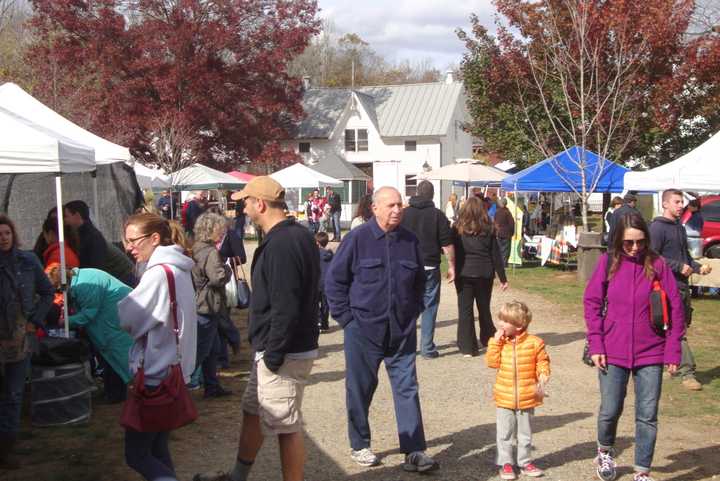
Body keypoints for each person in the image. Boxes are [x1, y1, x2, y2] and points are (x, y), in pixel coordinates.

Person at [196, 176, 319, 481]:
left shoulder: (283, 243)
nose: (244, 210)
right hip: (275, 348)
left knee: (285, 425)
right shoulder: (293, 235)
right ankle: (238, 475)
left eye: (246, 203)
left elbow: (286, 306)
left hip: (284, 351)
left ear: (260, 204)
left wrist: (274, 354)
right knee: (253, 409)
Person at [325, 186, 438, 473]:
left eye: (400, 205)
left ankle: (414, 450)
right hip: (363, 330)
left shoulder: (410, 241)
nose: (397, 210)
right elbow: (334, 282)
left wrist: (412, 313)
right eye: (391, 205)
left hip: (401, 330)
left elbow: (419, 284)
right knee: (360, 389)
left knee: (407, 388)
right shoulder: (356, 240)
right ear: (374, 208)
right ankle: (360, 444)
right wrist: (348, 321)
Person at [584, 212, 685, 481]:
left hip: (652, 351)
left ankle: (642, 471)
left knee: (647, 414)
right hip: (612, 350)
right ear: (618, 240)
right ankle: (605, 451)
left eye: (640, 242)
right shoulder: (608, 263)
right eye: (629, 243)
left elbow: (676, 308)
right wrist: (596, 343)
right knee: (610, 409)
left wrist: (673, 350)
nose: (635, 248)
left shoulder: (658, 264)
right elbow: (592, 303)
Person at [118, 213, 197, 481]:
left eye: (133, 240)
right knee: (157, 449)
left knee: (137, 454)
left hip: (155, 376)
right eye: (125, 241)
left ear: (154, 238)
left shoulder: (158, 274)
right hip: (173, 372)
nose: (128, 247)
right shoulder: (179, 268)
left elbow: (128, 317)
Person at [0, 215, 53, 469]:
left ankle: (7, 448)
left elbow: (47, 292)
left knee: (13, 393)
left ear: (13, 235)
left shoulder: (28, 261)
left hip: (21, 337)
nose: (3, 238)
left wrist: (35, 321)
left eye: (7, 233)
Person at [649, 190, 712, 391]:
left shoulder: (679, 227)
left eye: (681, 202)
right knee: (676, 330)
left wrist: (696, 266)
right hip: (666, 287)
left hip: (682, 288)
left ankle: (666, 364)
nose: (680, 205)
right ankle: (687, 373)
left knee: (677, 328)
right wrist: (677, 266)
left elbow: (684, 257)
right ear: (665, 204)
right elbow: (651, 257)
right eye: (676, 202)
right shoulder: (657, 228)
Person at [47, 266, 134, 403]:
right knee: (109, 355)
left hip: (115, 319)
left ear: (62, 284)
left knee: (114, 353)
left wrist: (64, 322)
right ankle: (114, 390)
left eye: (58, 290)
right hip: (112, 317)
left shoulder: (84, 285)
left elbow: (88, 314)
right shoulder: (80, 279)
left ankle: (117, 393)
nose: (58, 294)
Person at [487, 301, 549, 480]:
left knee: (525, 433)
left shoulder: (535, 343)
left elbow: (543, 362)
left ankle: (525, 462)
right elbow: (492, 363)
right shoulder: (501, 342)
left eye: (505, 321)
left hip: (527, 396)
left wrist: (543, 375)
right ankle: (505, 463)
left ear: (520, 325)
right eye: (501, 319)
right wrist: (495, 343)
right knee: (504, 432)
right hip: (504, 397)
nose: (501, 324)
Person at [400, 180, 455, 359]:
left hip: (407, 265)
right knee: (429, 306)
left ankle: (405, 347)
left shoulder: (403, 214)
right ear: (432, 195)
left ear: (416, 192)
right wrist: (452, 266)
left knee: (406, 306)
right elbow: (447, 245)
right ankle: (427, 347)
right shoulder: (438, 215)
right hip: (430, 265)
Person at [453, 197, 509, 356]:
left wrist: (452, 268)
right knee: (484, 308)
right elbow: (495, 255)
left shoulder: (457, 228)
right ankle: (488, 338)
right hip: (484, 273)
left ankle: (467, 346)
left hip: (464, 272)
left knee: (465, 310)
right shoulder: (488, 228)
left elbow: (454, 252)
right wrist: (502, 277)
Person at [190, 212, 233, 399]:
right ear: (212, 230)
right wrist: (228, 269)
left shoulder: (196, 248)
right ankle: (180, 387)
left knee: (212, 348)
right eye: (220, 230)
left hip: (200, 302)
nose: (222, 233)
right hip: (208, 304)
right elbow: (218, 278)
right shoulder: (211, 252)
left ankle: (212, 386)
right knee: (201, 350)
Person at [64, 200, 109, 269]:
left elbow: (97, 266)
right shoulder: (82, 234)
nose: (64, 220)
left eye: (66, 216)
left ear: (77, 216)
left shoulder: (93, 237)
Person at [316, 231, 333, 332]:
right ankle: (325, 324)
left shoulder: (314, 254)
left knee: (315, 303)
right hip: (327, 283)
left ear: (317, 243)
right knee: (325, 304)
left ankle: (318, 321)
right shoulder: (331, 255)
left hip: (316, 282)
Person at [494, 197, 515, 267]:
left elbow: (495, 223)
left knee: (499, 249)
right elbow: (512, 224)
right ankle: (504, 264)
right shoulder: (507, 212)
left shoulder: (497, 212)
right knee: (505, 250)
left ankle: (500, 263)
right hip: (506, 234)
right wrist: (512, 233)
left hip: (499, 233)